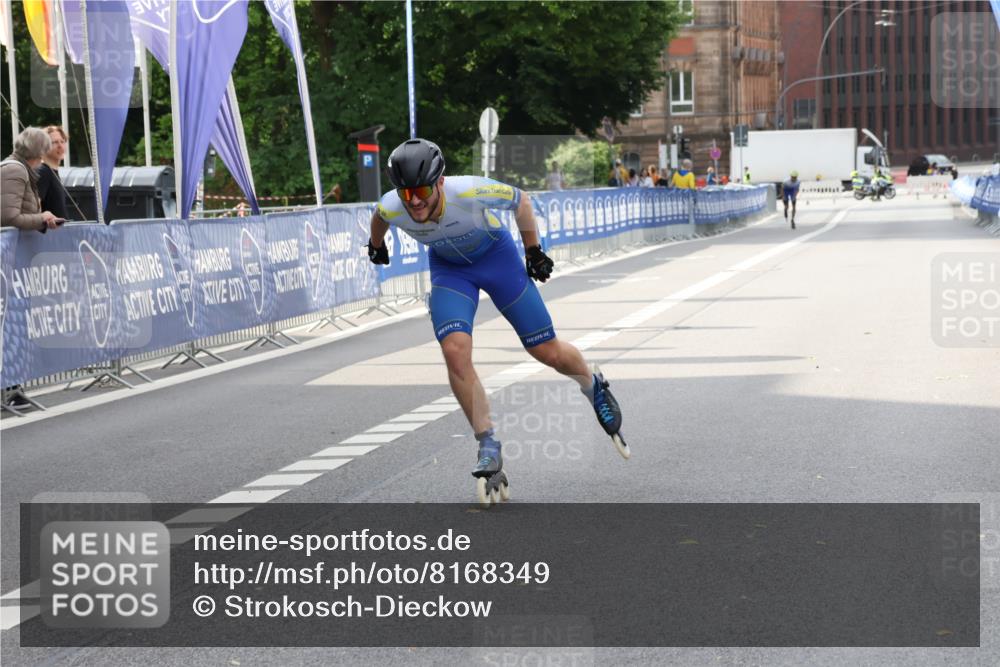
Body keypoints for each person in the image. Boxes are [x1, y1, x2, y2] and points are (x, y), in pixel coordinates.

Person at [367, 139, 628, 503]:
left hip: (497, 259)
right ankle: (487, 443)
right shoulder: (393, 204)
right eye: (406, 193)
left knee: (546, 351)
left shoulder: (468, 191)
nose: (414, 202)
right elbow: (379, 217)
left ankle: (592, 384)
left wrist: (532, 250)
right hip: (450, 272)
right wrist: (376, 245)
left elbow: (521, 200)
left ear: (440, 182)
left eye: (422, 191)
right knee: (454, 351)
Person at [2, 127, 64, 232]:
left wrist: (44, 220)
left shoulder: (20, 170)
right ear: (38, 152)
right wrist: (42, 218)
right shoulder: (15, 170)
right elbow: (9, 218)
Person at [37, 125, 69, 220]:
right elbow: (31, 208)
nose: (60, 146)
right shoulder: (43, 172)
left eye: (62, 141)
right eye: (54, 142)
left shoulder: (51, 172)